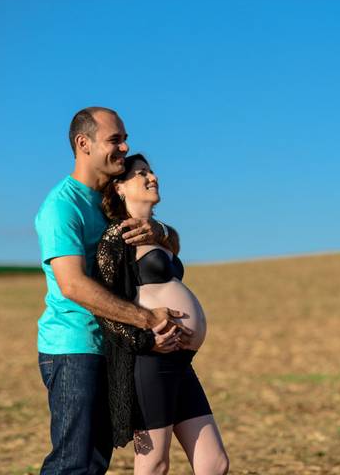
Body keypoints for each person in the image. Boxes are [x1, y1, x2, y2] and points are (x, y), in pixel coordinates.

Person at [34, 106, 189, 474]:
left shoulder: (113, 202)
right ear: (83, 143)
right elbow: (73, 285)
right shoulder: (62, 206)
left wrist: (161, 234)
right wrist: (147, 319)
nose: (124, 147)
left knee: (95, 461)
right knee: (76, 463)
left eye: (125, 139)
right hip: (75, 349)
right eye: (115, 140)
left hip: (112, 347)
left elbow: (171, 246)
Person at [93, 153, 229, 475]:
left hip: (180, 362)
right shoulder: (116, 237)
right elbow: (104, 305)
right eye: (141, 173)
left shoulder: (158, 235)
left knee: (215, 463)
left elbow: (173, 243)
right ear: (119, 188)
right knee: (154, 463)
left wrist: (160, 230)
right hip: (150, 361)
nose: (152, 177)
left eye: (152, 171)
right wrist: (144, 339)